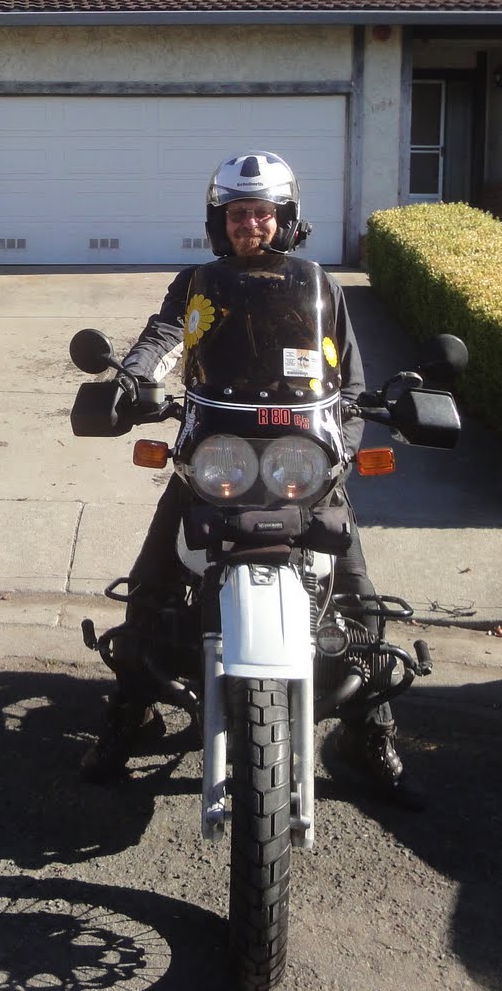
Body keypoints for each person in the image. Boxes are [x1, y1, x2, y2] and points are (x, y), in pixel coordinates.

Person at [79, 151, 425, 810]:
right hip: (218, 456)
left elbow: (349, 380)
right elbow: (166, 336)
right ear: (220, 221)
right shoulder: (199, 284)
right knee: (152, 583)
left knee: (360, 601)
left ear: (285, 219)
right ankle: (130, 713)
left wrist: (341, 452)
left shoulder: (318, 287)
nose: (250, 224)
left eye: (263, 213)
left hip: (300, 460)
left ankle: (370, 732)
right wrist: (132, 378)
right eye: (239, 214)